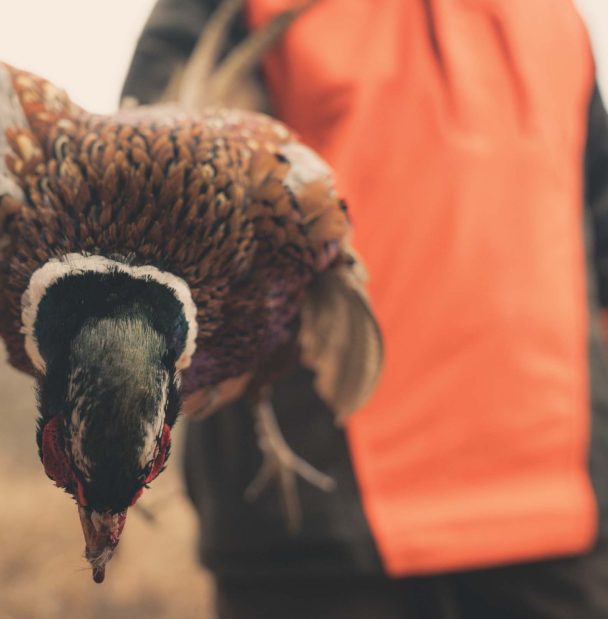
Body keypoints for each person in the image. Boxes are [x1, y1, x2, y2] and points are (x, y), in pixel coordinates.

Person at [122, 1, 608, 617]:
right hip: (315, 532)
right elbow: (146, 209)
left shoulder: (553, 17)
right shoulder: (229, 9)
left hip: (557, 529)